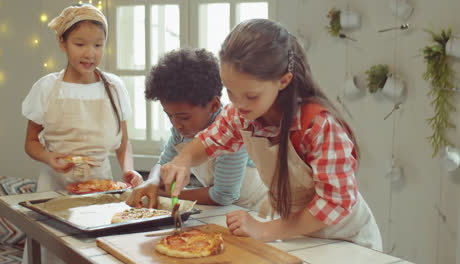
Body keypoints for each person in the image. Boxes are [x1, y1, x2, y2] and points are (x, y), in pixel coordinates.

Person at [159, 19, 383, 251]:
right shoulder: (240, 114)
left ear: (283, 81)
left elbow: (334, 203)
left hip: (344, 240)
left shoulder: (319, 126)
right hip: (292, 233)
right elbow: (209, 141)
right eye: (230, 92)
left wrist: (265, 229)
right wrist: (182, 161)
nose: (238, 103)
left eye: (251, 95)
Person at [21, 4, 142, 263]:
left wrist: (128, 170)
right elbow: (30, 143)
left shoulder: (115, 87)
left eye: (98, 45)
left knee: (94, 254)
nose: (90, 53)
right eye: (80, 44)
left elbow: (124, 144)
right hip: (54, 189)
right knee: (53, 255)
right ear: (62, 43)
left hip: (102, 188)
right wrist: (48, 157)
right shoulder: (46, 88)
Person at [126, 48, 268, 212]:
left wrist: (167, 194)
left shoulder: (231, 130)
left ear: (214, 105)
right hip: (223, 212)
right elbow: (165, 163)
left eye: (184, 117)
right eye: (169, 116)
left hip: (258, 209)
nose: (177, 124)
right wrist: (152, 181)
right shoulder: (182, 132)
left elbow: (223, 195)